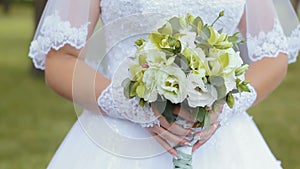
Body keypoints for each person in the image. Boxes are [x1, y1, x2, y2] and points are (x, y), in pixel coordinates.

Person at [28, 0, 299, 168]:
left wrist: (222, 107)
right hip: (119, 138)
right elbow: (61, 59)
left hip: (219, 138)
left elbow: (273, 55)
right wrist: (133, 106)